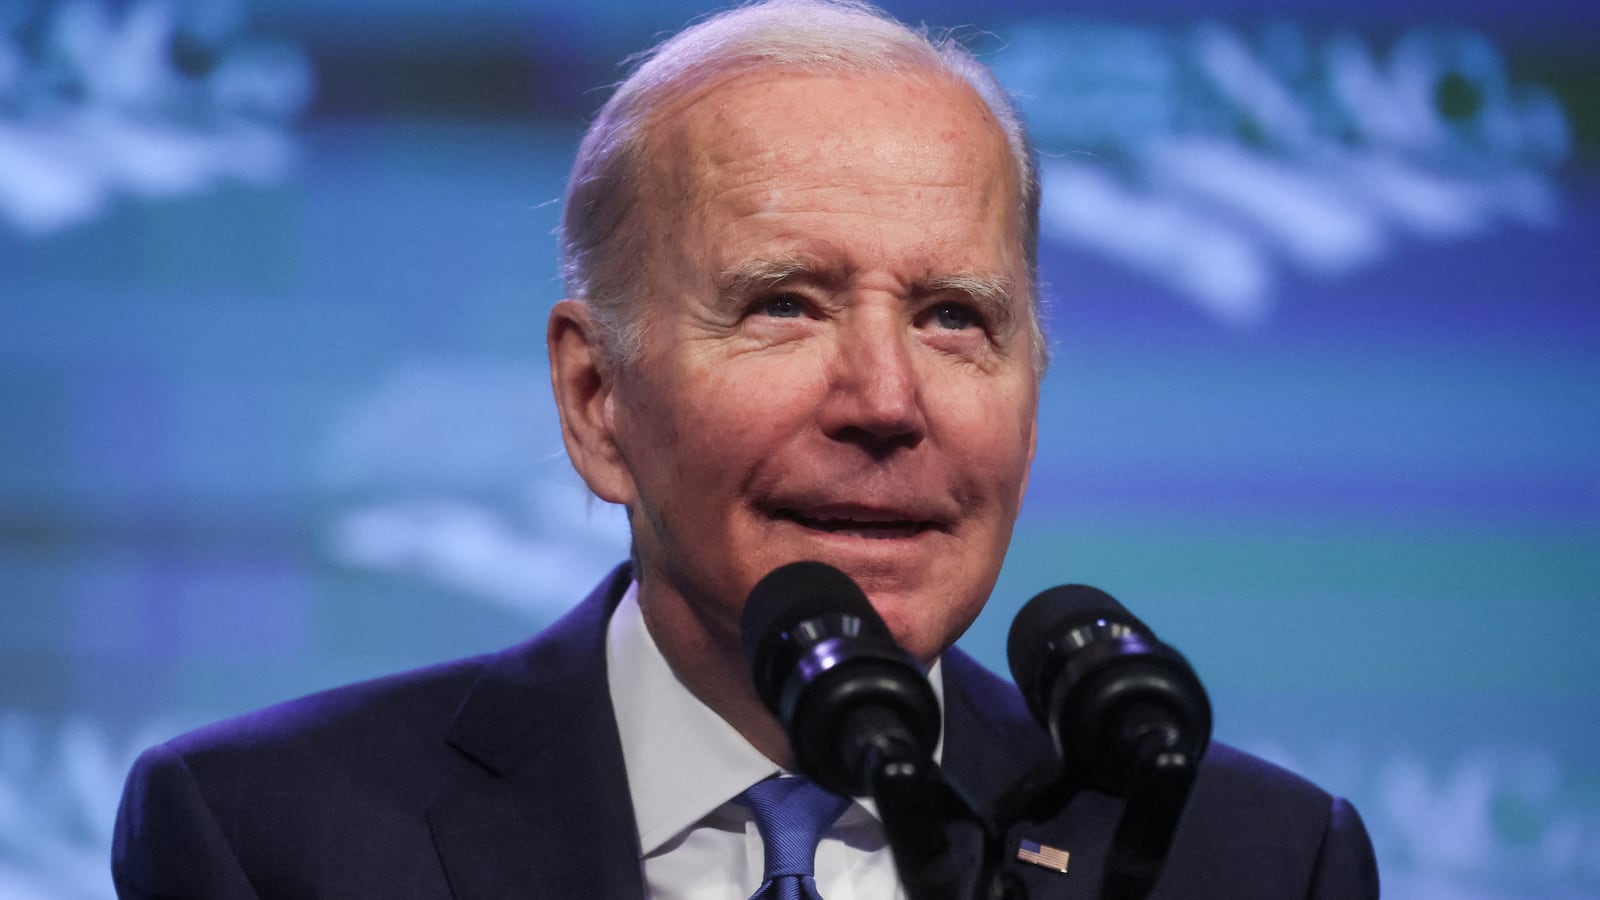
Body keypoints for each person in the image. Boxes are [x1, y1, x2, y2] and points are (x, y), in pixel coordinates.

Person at [111, 1, 1380, 898]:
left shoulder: (1242, 858)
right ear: (596, 397)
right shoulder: (268, 840)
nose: (886, 398)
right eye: (784, 303)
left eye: (954, 318)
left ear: (1032, 389)